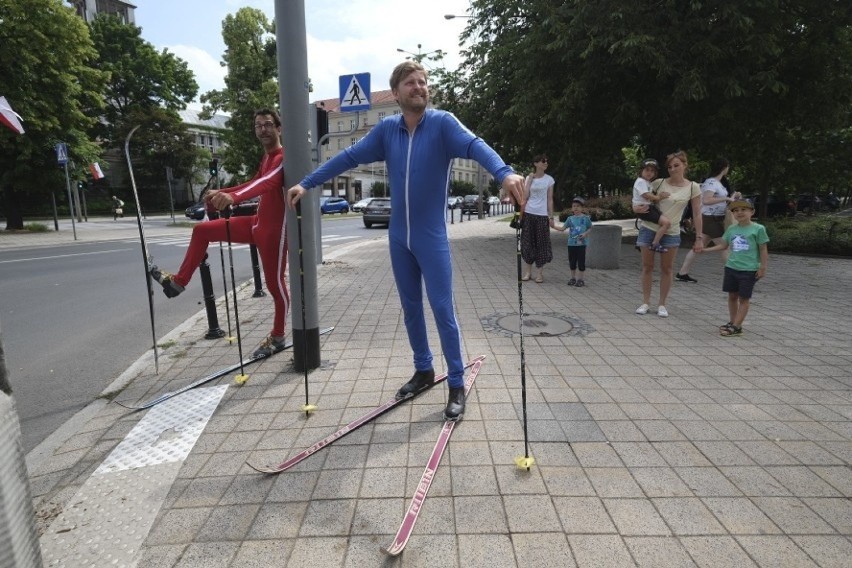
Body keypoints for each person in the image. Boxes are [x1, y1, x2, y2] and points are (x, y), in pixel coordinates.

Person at [286, 61, 525, 421]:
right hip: (399, 238)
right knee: (411, 307)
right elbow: (348, 157)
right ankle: (423, 369)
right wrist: (307, 183)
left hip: (432, 237)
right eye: (411, 83)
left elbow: (476, 146)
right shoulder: (386, 131)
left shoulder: (443, 124)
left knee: (443, 310)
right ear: (396, 92)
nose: (419, 87)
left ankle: (456, 383)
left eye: (423, 82)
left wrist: (505, 174)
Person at [150, 109, 290, 358]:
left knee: (274, 284)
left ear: (279, 129)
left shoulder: (283, 157)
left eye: (268, 124)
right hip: (256, 223)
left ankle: (278, 336)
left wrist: (233, 196)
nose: (263, 129)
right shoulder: (266, 158)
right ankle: (178, 283)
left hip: (274, 232)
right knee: (202, 230)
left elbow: (267, 183)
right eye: (258, 125)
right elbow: (252, 183)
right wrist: (221, 192)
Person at [634, 150, 703, 317]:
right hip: (649, 228)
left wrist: (699, 237)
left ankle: (662, 304)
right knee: (647, 267)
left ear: (685, 165)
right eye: (670, 166)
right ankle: (645, 302)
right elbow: (641, 198)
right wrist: (635, 209)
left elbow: (697, 213)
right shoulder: (658, 182)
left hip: (671, 232)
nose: (672, 169)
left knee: (667, 268)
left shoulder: (693, 187)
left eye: (676, 165)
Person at [701, 198, 768, 336]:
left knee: (744, 298)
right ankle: (733, 322)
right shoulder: (732, 229)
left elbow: (763, 249)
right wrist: (705, 250)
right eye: (736, 210)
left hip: (749, 270)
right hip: (731, 267)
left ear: (752, 212)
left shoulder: (758, 229)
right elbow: (723, 245)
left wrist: (762, 267)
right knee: (732, 296)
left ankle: (737, 327)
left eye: (744, 209)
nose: (739, 212)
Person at [676, 157, 741, 282]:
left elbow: (717, 200)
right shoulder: (711, 183)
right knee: (724, 246)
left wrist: (731, 198)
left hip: (713, 218)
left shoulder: (718, 183)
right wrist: (727, 199)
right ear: (724, 167)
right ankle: (735, 275)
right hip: (710, 219)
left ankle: (682, 273)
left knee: (698, 247)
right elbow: (706, 200)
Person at [520, 155, 555, 283]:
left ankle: (539, 274)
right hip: (529, 213)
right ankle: (528, 272)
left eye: (547, 161)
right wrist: (529, 180)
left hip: (542, 215)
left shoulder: (549, 180)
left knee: (541, 243)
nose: (546, 163)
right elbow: (525, 196)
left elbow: (550, 199)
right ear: (536, 163)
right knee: (527, 242)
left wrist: (551, 216)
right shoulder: (529, 178)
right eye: (543, 161)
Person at [632, 159, 671, 252]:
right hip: (645, 208)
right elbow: (646, 195)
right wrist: (659, 197)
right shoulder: (641, 181)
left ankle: (640, 242)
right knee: (666, 223)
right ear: (641, 170)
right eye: (647, 170)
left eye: (652, 171)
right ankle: (655, 244)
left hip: (647, 207)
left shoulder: (647, 182)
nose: (649, 173)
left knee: (662, 221)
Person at [552, 197, 592, 286]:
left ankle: (580, 279)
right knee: (572, 261)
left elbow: (590, 228)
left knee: (581, 261)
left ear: (582, 208)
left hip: (581, 244)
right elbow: (562, 228)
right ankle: (573, 278)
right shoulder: (570, 219)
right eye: (574, 206)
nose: (576, 208)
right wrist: (553, 226)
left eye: (578, 206)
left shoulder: (586, 218)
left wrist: (585, 234)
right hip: (571, 244)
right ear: (571, 208)